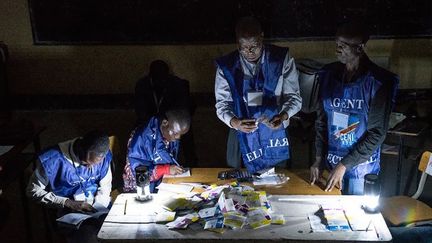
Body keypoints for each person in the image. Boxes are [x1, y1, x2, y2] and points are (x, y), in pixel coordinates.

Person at [310, 20, 399, 195]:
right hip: (331, 163)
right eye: (337, 44)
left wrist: (344, 165)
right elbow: (321, 121)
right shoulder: (328, 75)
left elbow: (377, 134)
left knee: (356, 216)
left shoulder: (379, 82)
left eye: (343, 46)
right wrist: (319, 158)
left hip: (360, 169)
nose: (337, 49)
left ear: (360, 48)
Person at [215, 16, 302, 173]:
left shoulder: (280, 59)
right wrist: (235, 122)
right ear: (237, 44)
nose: (249, 52)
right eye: (244, 47)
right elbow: (222, 104)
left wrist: (282, 116)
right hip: (242, 130)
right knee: (241, 180)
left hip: (274, 129)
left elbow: (294, 98)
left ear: (262, 37)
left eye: (254, 46)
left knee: (278, 178)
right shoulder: (227, 66)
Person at [26, 130, 112, 242]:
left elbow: (105, 185)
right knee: (88, 236)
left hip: (97, 208)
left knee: (120, 230)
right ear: (80, 149)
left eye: (95, 164)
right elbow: (32, 190)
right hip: (68, 213)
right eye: (85, 163)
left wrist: (99, 205)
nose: (90, 168)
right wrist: (67, 202)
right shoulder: (53, 160)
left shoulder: (103, 155)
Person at [135, 60, 197, 166]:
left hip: (172, 120)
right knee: (143, 135)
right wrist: (155, 123)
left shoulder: (177, 84)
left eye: (163, 77)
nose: (160, 80)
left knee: (182, 132)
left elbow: (183, 108)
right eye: (156, 77)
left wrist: (169, 120)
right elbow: (140, 109)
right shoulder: (142, 85)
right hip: (150, 121)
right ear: (151, 75)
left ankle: (192, 164)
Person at [122, 109, 190, 193]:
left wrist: (174, 168)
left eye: (181, 134)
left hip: (163, 181)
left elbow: (169, 157)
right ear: (165, 123)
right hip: (139, 190)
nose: (178, 137)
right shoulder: (142, 138)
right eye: (175, 133)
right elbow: (139, 174)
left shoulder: (167, 133)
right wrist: (166, 170)